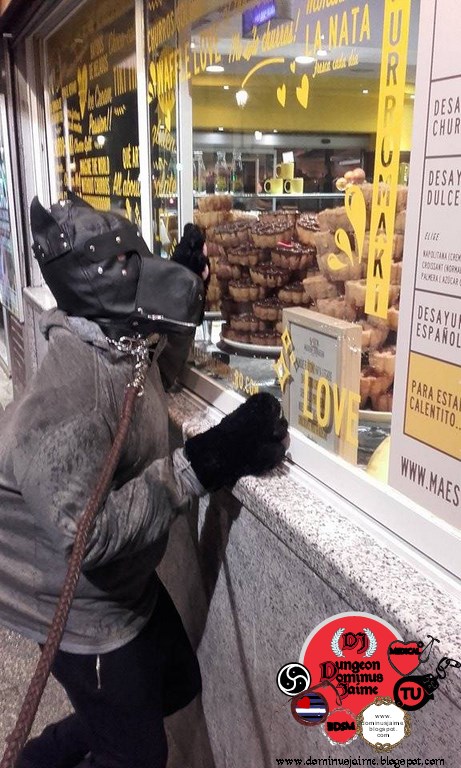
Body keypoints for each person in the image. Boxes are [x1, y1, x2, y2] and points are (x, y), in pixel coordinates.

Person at [0, 194, 288, 768]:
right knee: (136, 756)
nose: (145, 271)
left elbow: (152, 375)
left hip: (121, 584)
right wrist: (204, 462)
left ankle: (76, 740)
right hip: (73, 601)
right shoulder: (66, 400)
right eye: (127, 263)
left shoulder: (112, 337)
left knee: (175, 684)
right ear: (91, 282)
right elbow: (87, 537)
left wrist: (175, 310)